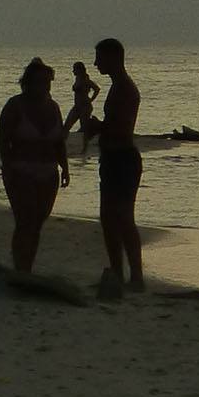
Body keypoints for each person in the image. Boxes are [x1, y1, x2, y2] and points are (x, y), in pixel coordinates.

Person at [0, 58, 69, 274]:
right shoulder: (14, 106)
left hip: (49, 173)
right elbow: (3, 140)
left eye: (47, 83)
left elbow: (58, 142)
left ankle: (27, 266)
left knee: (37, 223)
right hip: (21, 171)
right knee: (24, 221)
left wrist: (65, 167)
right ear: (27, 83)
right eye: (39, 82)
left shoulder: (53, 107)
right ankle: (21, 268)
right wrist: (8, 169)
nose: (44, 87)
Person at [94, 36, 143, 293]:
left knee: (123, 218)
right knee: (108, 219)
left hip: (123, 159)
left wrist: (98, 127)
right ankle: (117, 273)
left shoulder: (125, 88)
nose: (95, 63)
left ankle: (136, 277)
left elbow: (122, 129)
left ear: (113, 57)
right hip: (112, 158)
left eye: (99, 57)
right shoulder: (116, 87)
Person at [65, 60, 100, 150]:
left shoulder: (86, 80)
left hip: (85, 107)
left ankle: (85, 148)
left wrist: (91, 99)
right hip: (77, 106)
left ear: (79, 70)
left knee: (84, 129)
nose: (73, 71)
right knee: (66, 126)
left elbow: (97, 89)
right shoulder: (77, 79)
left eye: (74, 69)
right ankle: (62, 145)